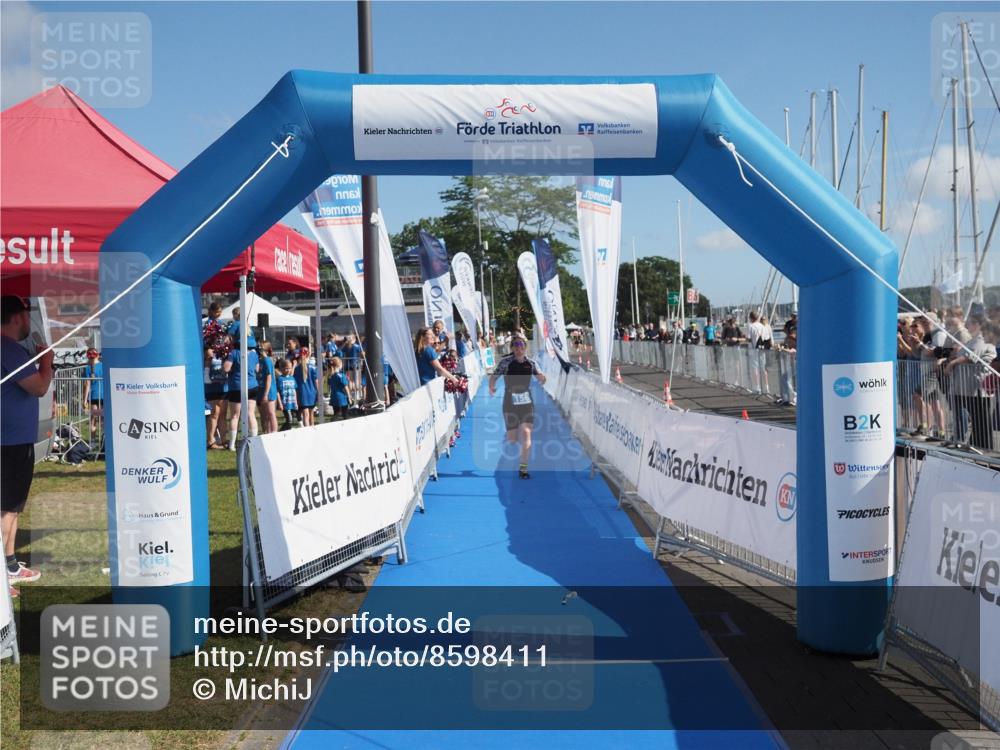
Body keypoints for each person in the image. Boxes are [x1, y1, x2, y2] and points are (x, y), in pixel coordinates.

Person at [1, 296, 52, 589]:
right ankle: (2, 577)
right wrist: (47, 362)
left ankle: (9, 564)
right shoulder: (8, 350)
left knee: (13, 506)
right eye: (26, 316)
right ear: (17, 318)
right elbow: (39, 387)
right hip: (10, 443)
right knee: (7, 508)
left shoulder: (11, 350)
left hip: (12, 441)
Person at [489, 334, 547, 480]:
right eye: (515, 345)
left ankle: (523, 468)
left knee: (527, 433)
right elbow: (494, 376)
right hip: (510, 402)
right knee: (512, 439)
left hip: (526, 402)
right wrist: (491, 386)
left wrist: (542, 378)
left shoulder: (532, 363)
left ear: (525, 347)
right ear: (512, 347)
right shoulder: (505, 363)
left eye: (521, 345)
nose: (518, 348)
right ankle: (517, 457)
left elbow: (542, 377)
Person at [222, 335, 260, 450]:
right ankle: (254, 441)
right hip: (252, 385)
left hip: (237, 386)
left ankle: (232, 444)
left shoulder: (234, 353)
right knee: (250, 414)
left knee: (235, 415)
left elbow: (226, 368)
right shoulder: (254, 354)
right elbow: (257, 369)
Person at [204, 343, 228, 448]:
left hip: (224, 386)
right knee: (214, 414)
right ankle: (211, 440)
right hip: (211, 387)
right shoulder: (208, 351)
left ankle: (223, 440)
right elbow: (206, 367)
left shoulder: (225, 350)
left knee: (223, 414)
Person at [82, 348, 104, 440]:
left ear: (88, 356)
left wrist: (84, 400)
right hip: (104, 396)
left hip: (94, 396)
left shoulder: (87, 369)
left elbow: (87, 384)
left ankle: (93, 441)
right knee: (103, 419)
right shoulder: (104, 366)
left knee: (93, 420)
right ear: (98, 355)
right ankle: (104, 441)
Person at [294, 347, 319, 427]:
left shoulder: (297, 368)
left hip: (302, 393)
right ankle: (312, 429)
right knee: (311, 414)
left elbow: (296, 384)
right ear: (309, 354)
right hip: (312, 392)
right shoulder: (313, 368)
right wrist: (318, 392)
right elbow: (316, 382)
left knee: (305, 415)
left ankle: (306, 431)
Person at [257, 341, 279, 434]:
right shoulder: (259, 360)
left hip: (269, 391)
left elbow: (269, 378)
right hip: (260, 389)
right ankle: (266, 432)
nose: (258, 349)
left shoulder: (267, 360)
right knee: (263, 414)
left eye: (260, 347)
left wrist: (266, 394)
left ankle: (274, 432)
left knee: (270, 413)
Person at [276, 359, 299, 428]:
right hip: (285, 403)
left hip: (292, 402)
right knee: (289, 420)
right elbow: (277, 392)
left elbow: (294, 390)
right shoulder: (280, 379)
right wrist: (280, 403)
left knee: (293, 419)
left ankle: (288, 431)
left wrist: (296, 402)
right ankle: (282, 432)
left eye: (289, 368)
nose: (288, 370)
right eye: (286, 368)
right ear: (281, 369)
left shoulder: (292, 378)